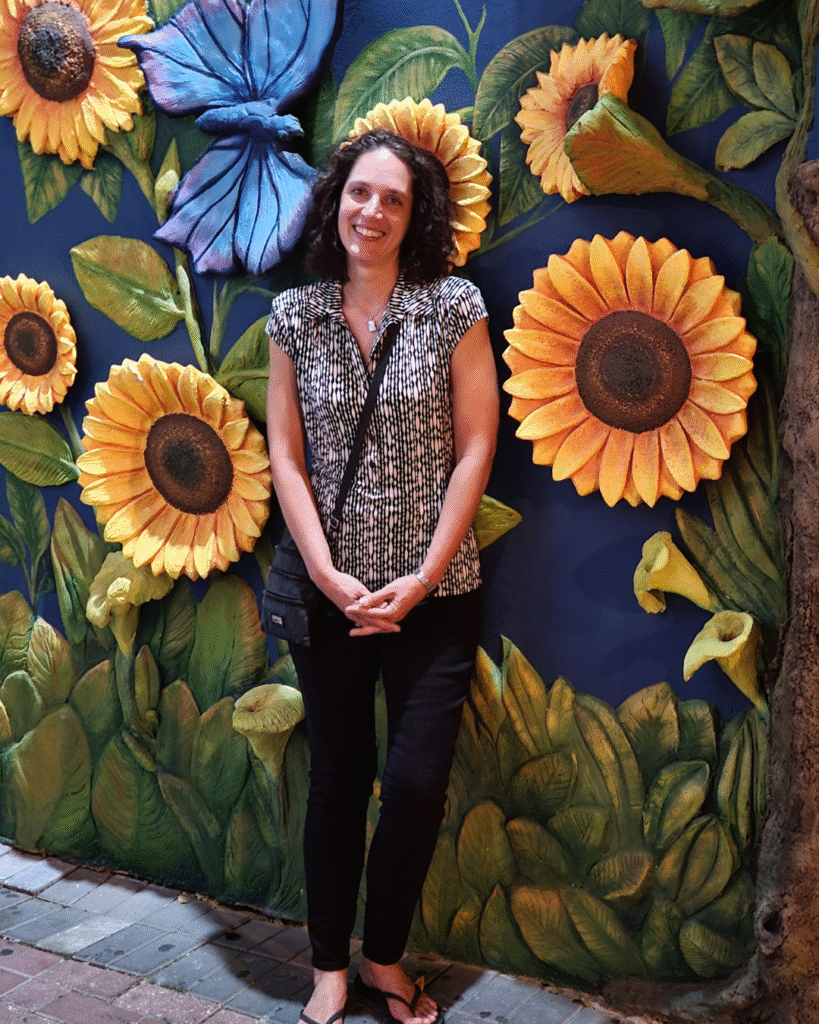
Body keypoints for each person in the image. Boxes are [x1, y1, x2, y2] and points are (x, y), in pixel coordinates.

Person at [265, 127, 498, 1024]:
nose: (373, 211)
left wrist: (426, 574)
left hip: (434, 597)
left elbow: (477, 444)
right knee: (335, 778)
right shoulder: (295, 316)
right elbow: (286, 457)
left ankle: (385, 959)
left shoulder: (453, 306)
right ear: (336, 200)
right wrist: (324, 573)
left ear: (415, 215)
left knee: (412, 784)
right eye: (360, 192)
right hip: (330, 600)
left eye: (393, 199)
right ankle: (328, 966)